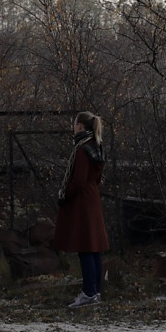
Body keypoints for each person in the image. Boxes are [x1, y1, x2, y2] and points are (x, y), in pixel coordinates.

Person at [52, 110, 109, 308]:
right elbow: (96, 178)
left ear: (80, 126)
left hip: (83, 201)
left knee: (86, 247)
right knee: (95, 249)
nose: (73, 126)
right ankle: (95, 291)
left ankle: (89, 292)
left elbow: (78, 180)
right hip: (92, 198)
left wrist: (64, 195)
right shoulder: (97, 146)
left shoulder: (82, 149)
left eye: (74, 123)